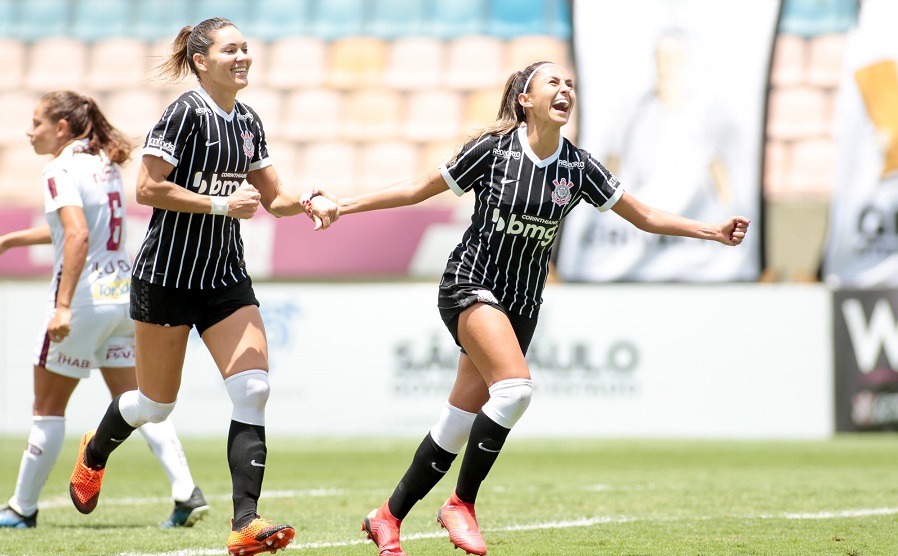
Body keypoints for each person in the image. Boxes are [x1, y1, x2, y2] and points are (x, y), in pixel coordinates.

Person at [310, 61, 751, 556]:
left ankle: (387, 517)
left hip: (522, 306)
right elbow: (417, 190)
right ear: (525, 98)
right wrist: (342, 205)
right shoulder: (492, 150)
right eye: (553, 83)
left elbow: (644, 216)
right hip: (469, 284)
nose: (566, 90)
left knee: (458, 420)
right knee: (515, 389)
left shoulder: (578, 167)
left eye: (571, 85)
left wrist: (711, 230)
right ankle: (461, 504)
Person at [66, 18, 328, 555]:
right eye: (232, 49)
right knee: (155, 406)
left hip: (224, 276)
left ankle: (245, 524)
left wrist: (306, 202)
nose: (244, 57)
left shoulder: (249, 121)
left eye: (247, 48)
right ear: (201, 60)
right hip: (167, 276)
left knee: (254, 388)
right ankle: (95, 450)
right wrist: (218, 204)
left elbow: (271, 199)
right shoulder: (185, 113)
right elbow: (147, 188)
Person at [0, 91, 208, 530]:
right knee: (137, 401)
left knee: (47, 409)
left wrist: (61, 308)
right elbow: (78, 228)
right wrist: (11, 240)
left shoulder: (58, 168)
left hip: (83, 302)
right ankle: (186, 491)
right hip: (122, 298)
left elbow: (75, 236)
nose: (28, 131)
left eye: (36, 122)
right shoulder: (104, 164)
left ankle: (21, 508)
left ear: (61, 127)